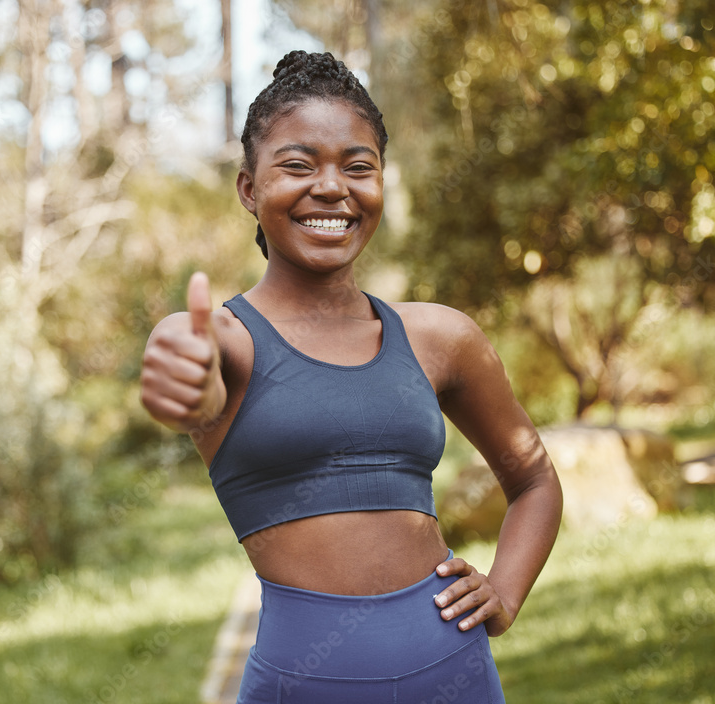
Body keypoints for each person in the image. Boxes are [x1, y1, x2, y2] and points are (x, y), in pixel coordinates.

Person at [140, 50, 563, 703]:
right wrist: (185, 379)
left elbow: (532, 476)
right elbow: (189, 365)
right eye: (298, 165)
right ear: (249, 189)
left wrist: (504, 593)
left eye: (357, 167)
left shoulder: (441, 338)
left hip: (457, 679)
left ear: (382, 184)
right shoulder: (223, 338)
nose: (332, 187)